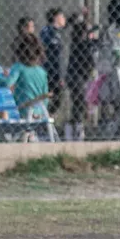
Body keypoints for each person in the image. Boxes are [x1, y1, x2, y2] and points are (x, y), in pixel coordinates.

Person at [0, 33, 50, 120]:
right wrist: (41, 112)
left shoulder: (19, 67)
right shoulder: (41, 71)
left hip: (23, 110)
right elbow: (45, 95)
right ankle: (31, 131)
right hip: (39, 112)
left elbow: (7, 82)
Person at [65, 9, 97, 141]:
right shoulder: (79, 43)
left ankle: (76, 127)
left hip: (81, 76)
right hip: (76, 76)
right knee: (78, 102)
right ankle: (75, 129)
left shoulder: (84, 43)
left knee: (79, 102)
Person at [40, 8, 67, 113]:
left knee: (56, 99)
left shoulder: (55, 32)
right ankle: (45, 117)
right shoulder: (50, 32)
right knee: (54, 97)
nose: (64, 19)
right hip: (51, 72)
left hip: (53, 71)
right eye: (62, 16)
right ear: (56, 18)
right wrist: (60, 76)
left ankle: (47, 117)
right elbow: (56, 57)